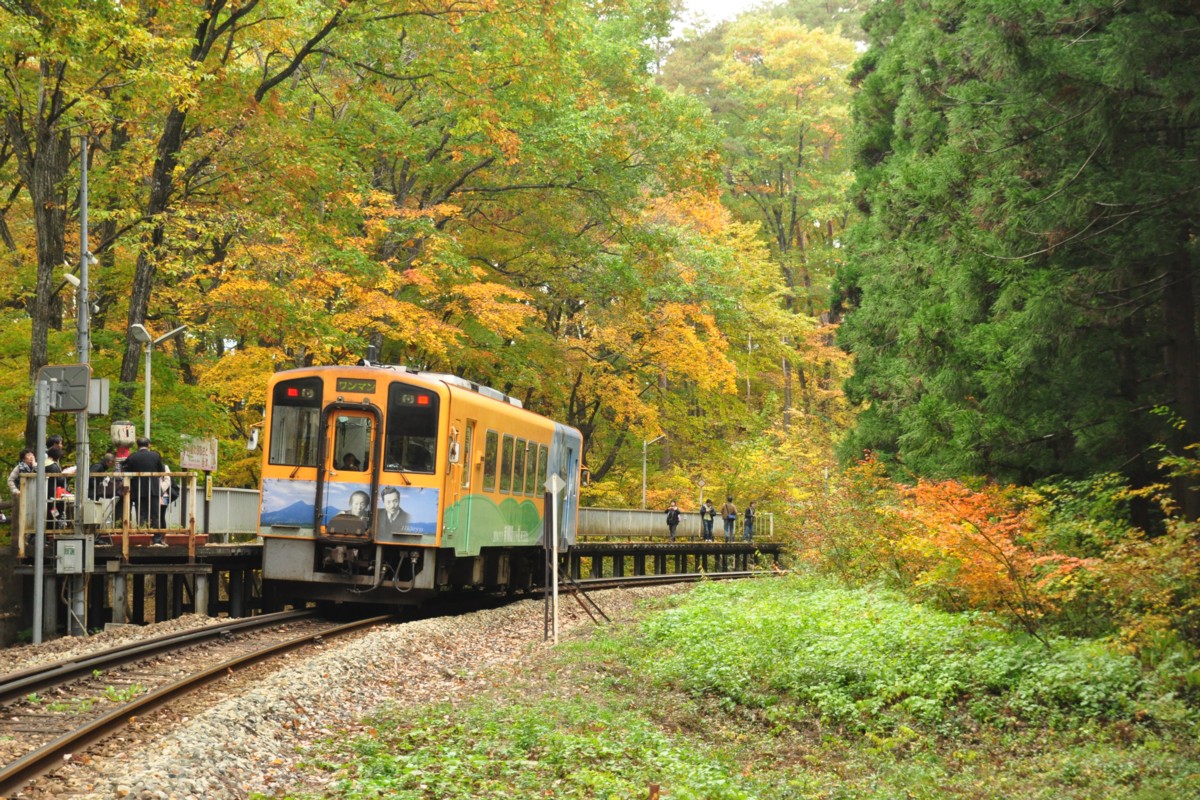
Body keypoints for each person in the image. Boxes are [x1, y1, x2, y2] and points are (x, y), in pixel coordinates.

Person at [124, 437, 168, 542]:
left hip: (138, 488)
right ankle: (156, 538)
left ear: (137, 445)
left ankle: (142, 537)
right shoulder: (155, 455)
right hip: (153, 488)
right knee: (155, 513)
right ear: (148, 445)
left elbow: (126, 470)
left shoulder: (132, 457)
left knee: (141, 513)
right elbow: (161, 470)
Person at [7, 449, 36, 525]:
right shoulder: (19, 467)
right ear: (23, 458)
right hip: (23, 494)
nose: (31, 457)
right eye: (28, 455)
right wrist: (15, 490)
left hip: (36, 494)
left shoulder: (37, 465)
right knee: (23, 515)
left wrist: (34, 465)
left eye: (32, 455)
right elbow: (10, 480)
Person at [44, 445, 69, 529]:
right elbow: (60, 481)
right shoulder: (53, 466)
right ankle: (53, 530)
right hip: (53, 494)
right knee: (54, 513)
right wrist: (66, 476)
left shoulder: (43, 463)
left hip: (44, 493)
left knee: (48, 513)